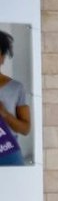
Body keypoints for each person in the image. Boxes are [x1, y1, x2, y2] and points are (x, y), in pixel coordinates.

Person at [0, 31, 31, 167]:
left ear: (2, 56)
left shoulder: (16, 88)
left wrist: (5, 114)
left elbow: (25, 129)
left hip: (8, 151)